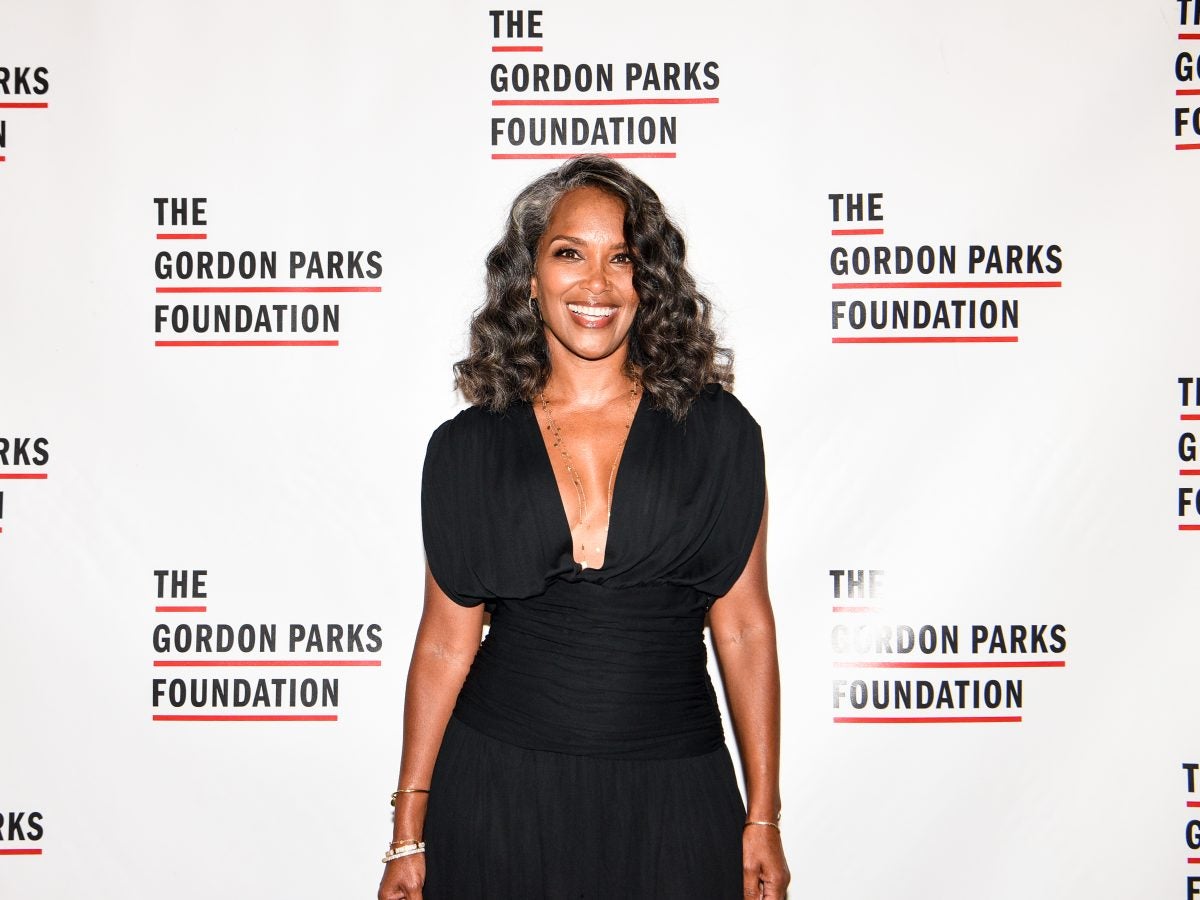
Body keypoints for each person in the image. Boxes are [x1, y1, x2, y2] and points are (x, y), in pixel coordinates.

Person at [378, 155, 790, 900]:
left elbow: (744, 627)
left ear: (649, 282)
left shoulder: (721, 433)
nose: (596, 283)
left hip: (675, 791)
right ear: (530, 279)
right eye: (570, 253)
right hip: (498, 790)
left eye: (622, 258)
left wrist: (763, 815)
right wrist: (409, 829)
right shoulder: (468, 447)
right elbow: (443, 642)